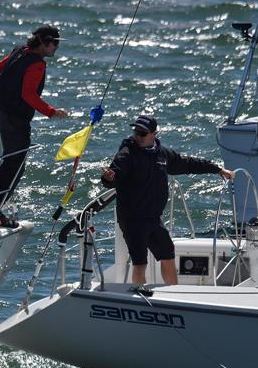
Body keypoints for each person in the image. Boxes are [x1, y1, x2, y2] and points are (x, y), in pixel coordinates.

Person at [100, 115, 234, 284]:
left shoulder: (162, 154)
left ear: (154, 134)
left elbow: (188, 163)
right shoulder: (126, 154)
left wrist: (217, 169)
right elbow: (113, 176)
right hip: (132, 219)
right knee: (140, 263)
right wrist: (109, 178)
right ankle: (139, 294)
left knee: (168, 255)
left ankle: (174, 294)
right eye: (136, 132)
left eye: (142, 133)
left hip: (153, 218)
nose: (137, 136)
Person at [0, 25, 67, 227]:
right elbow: (28, 94)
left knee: (12, 162)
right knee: (15, 166)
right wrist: (51, 112)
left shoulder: (19, 50)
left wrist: (3, 96)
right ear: (44, 42)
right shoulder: (37, 64)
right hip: (14, 118)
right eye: (54, 43)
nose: (56, 47)